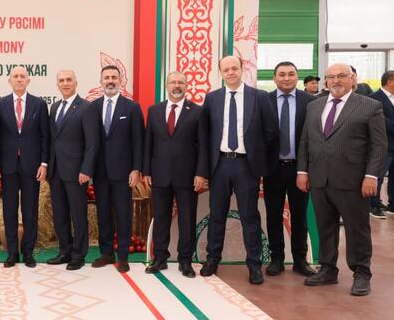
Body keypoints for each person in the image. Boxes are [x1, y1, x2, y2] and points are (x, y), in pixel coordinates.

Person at [298, 63, 387, 296]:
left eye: (341, 76)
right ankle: (328, 269)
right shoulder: (314, 106)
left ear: (352, 78)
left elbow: (379, 146)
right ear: (326, 81)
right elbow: (306, 140)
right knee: (325, 227)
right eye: (331, 77)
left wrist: (371, 176)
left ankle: (362, 273)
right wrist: (302, 171)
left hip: (353, 181)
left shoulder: (369, 106)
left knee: (357, 229)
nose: (336, 81)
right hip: (319, 179)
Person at [200, 56, 278, 284]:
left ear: (242, 69)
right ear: (221, 73)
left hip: (247, 166)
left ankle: (254, 265)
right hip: (220, 165)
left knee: (249, 217)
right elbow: (204, 135)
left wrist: (259, 160)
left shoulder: (260, 97)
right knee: (217, 216)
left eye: (235, 68)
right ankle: (212, 260)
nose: (231, 72)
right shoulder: (212, 98)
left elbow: (272, 132)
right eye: (226, 69)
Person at [142, 71, 208, 278]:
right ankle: (160, 258)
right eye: (173, 82)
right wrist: (146, 171)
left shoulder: (197, 111)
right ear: (167, 85)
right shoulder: (154, 110)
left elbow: (203, 146)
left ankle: (185, 261)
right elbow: (148, 143)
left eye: (180, 82)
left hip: (187, 176)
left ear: (186, 86)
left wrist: (201, 173)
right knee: (161, 217)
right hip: (159, 174)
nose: (176, 85)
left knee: (187, 220)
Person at [262, 62, 316, 277]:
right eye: (282, 74)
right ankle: (276, 258)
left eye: (291, 74)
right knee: (273, 215)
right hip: (272, 169)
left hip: (299, 169)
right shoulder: (264, 100)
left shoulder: (310, 102)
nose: (286, 78)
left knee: (299, 216)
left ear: (297, 77)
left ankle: (300, 260)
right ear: (274, 78)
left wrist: (307, 168)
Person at [90, 65, 144, 274]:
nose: (110, 80)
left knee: (123, 214)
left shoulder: (131, 108)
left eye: (114, 77)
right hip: (100, 172)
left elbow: (138, 141)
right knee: (103, 213)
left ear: (120, 81)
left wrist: (136, 169)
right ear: (101, 82)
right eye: (106, 77)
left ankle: (123, 256)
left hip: (123, 172)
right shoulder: (93, 107)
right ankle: (106, 253)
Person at [0, 66, 49, 268]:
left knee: (30, 210)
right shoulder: (0, 104)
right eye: (15, 76)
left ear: (28, 80)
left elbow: (45, 136)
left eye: (22, 76)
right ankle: (11, 253)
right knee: (9, 210)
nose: (19, 79)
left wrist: (44, 163)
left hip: (32, 166)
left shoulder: (39, 104)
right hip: (7, 166)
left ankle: (28, 252)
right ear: (9, 81)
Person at [46, 70, 99, 271]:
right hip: (56, 171)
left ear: (76, 83)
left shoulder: (86, 107)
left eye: (69, 80)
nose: (65, 83)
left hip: (77, 172)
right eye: (61, 80)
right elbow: (53, 140)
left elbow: (92, 142)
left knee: (78, 214)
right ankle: (64, 251)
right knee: (59, 214)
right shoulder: (54, 107)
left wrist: (86, 169)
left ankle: (78, 255)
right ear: (57, 84)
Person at [369, 70, 394, 218]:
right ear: (389, 81)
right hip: (384, 145)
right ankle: (373, 205)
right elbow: (381, 121)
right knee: (378, 176)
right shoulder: (374, 98)